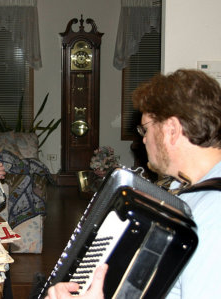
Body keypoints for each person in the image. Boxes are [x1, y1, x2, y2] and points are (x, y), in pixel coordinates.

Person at [45, 69, 221, 299]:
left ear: (172, 130)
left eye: (145, 129)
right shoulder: (186, 192)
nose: (144, 139)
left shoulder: (214, 213)